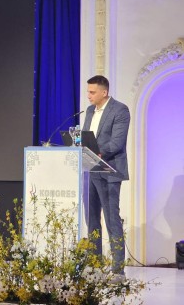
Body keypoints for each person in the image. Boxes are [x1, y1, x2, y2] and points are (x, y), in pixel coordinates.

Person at [83, 75, 130, 278]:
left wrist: (96, 151)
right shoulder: (90, 111)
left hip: (109, 171)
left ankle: (118, 269)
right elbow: (86, 137)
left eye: (92, 92)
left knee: (112, 219)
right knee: (92, 219)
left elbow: (117, 143)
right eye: (88, 91)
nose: (89, 95)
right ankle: (95, 265)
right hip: (90, 170)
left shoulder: (120, 110)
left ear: (104, 92)